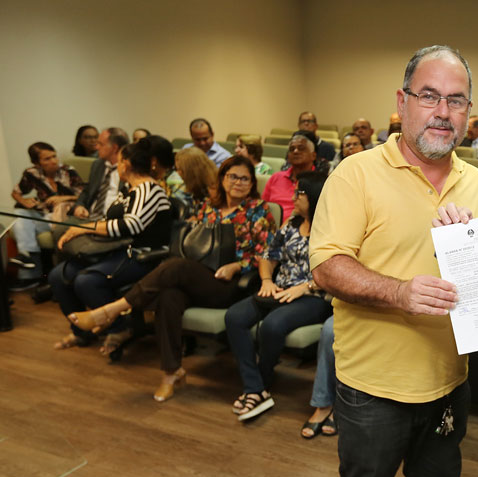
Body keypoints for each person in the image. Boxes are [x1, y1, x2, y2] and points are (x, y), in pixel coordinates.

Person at [310, 44, 478, 477]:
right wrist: (400, 292)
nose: (442, 111)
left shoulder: (476, 182)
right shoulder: (356, 174)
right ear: (402, 101)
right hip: (373, 387)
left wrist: (476, 255)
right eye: (429, 96)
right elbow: (327, 265)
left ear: (468, 111)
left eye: (455, 100)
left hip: (448, 380)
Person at [67, 156, 275, 401]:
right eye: (233, 176)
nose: (238, 182)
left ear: (252, 184)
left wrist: (237, 266)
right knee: (169, 296)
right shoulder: (208, 207)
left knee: (176, 267)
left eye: (245, 179)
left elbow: (268, 253)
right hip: (197, 274)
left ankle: (112, 310)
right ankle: (171, 373)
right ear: (222, 179)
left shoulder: (258, 210)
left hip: (230, 283)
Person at [225, 173, 332, 421]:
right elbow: (268, 256)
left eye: (299, 193)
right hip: (279, 290)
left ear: (314, 196)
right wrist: (266, 280)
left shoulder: (332, 228)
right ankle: (255, 388)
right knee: (234, 317)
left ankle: (260, 381)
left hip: (314, 296)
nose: (292, 198)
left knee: (272, 325)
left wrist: (305, 287)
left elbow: (337, 270)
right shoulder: (291, 223)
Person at [49, 139, 172, 353]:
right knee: (58, 276)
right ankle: (81, 332)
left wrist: (85, 228)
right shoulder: (128, 189)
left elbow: (132, 225)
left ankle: (120, 328)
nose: (117, 166)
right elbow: (109, 221)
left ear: (127, 164)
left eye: (119, 161)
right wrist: (83, 228)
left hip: (142, 256)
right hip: (114, 251)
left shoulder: (150, 190)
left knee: (86, 281)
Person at [9, 142, 85, 289]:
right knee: (20, 213)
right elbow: (16, 192)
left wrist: (63, 198)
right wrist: (24, 201)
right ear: (37, 163)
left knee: (22, 225)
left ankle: (29, 270)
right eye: (47, 159)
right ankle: (27, 256)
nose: (54, 161)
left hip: (64, 214)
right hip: (44, 214)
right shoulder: (32, 173)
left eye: (54, 156)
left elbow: (85, 195)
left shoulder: (68, 171)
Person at [72, 127, 130, 221]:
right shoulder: (98, 165)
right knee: (59, 227)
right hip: (89, 216)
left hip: (112, 221)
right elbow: (87, 191)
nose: (96, 147)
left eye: (101, 144)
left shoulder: (130, 169)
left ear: (114, 148)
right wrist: (79, 206)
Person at [262, 133, 317, 220]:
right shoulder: (276, 177)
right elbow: (263, 207)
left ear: (313, 155)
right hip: (272, 224)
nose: (296, 151)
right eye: (292, 149)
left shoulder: (320, 182)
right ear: (288, 156)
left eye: (301, 148)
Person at [171, 147, 218, 217]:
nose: (178, 173)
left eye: (180, 169)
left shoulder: (214, 191)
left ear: (192, 171)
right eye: (176, 169)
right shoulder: (180, 188)